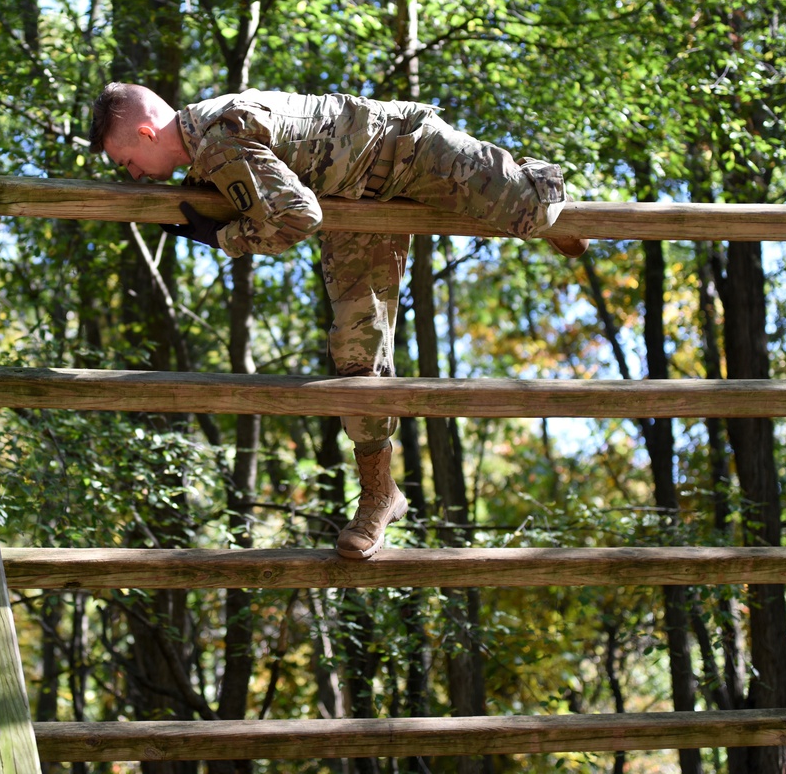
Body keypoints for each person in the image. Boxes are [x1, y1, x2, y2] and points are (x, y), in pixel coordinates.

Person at [88, 83, 588, 560]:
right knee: (356, 352)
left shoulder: (220, 138)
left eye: (127, 161)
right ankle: (379, 495)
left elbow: (297, 217)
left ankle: (542, 194)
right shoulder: (208, 148)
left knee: (532, 214)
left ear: (149, 135)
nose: (132, 175)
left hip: (406, 148)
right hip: (354, 202)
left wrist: (225, 239)